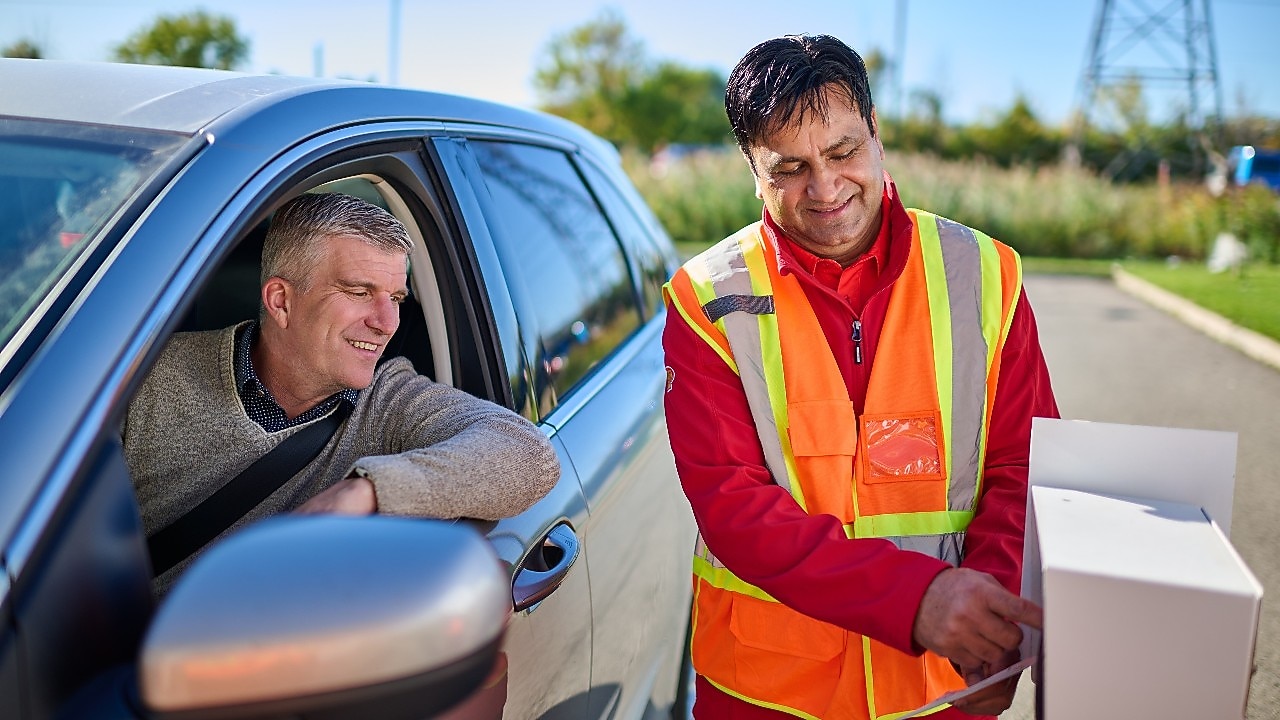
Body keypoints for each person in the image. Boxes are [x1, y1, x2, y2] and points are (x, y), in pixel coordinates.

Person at [662, 35, 1059, 719]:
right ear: (750, 167)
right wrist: (916, 602)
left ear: (876, 134)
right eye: (788, 167)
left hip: (946, 689)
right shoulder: (706, 300)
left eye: (843, 152)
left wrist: (989, 620)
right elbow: (735, 507)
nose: (824, 188)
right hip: (766, 694)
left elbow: (1024, 466)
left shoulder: (986, 274)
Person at [125, 192, 559, 591]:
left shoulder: (389, 402)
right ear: (280, 301)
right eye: (358, 292)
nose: (388, 324)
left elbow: (529, 454)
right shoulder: (144, 377)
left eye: (397, 298)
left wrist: (366, 491)